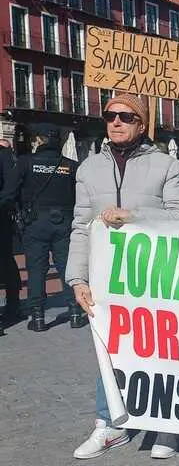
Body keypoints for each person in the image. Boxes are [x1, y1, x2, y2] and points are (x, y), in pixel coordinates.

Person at [67, 93, 179, 460]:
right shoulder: (88, 169)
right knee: (109, 345)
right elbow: (80, 226)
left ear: (141, 124)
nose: (116, 122)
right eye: (110, 116)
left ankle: (168, 423)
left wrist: (133, 215)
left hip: (158, 273)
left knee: (165, 344)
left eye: (125, 116)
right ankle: (110, 424)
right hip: (109, 277)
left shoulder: (166, 165)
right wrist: (77, 279)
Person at [10, 130, 84, 331]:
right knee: (66, 268)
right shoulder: (71, 165)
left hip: (35, 222)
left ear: (40, 140)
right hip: (65, 221)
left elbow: (10, 192)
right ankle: (75, 312)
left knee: (36, 269)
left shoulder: (26, 162)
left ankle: (38, 317)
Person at [0, 134, 22, 329]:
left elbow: (10, 187)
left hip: (1, 217)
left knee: (5, 260)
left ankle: (13, 305)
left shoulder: (3, 154)